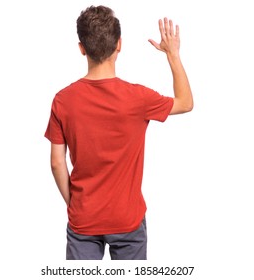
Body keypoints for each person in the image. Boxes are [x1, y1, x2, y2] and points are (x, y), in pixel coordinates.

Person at [44, 5, 193, 260]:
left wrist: (75, 205)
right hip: (127, 220)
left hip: (84, 219)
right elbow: (185, 102)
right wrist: (173, 55)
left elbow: (57, 162)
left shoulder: (63, 100)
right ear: (119, 45)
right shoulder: (138, 98)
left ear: (82, 48)